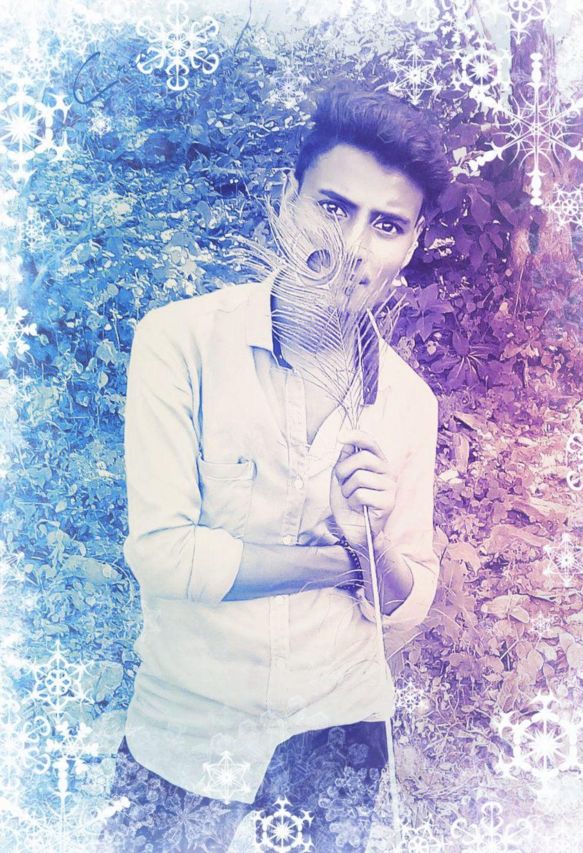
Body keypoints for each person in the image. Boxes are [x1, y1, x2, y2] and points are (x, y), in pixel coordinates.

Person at [99, 79, 448, 852]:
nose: (354, 247)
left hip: (339, 731)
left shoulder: (409, 403)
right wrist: (338, 563)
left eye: (386, 224)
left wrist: (374, 543)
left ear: (410, 244)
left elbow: (407, 600)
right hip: (189, 729)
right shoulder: (180, 344)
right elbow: (166, 555)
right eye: (334, 206)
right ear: (290, 200)